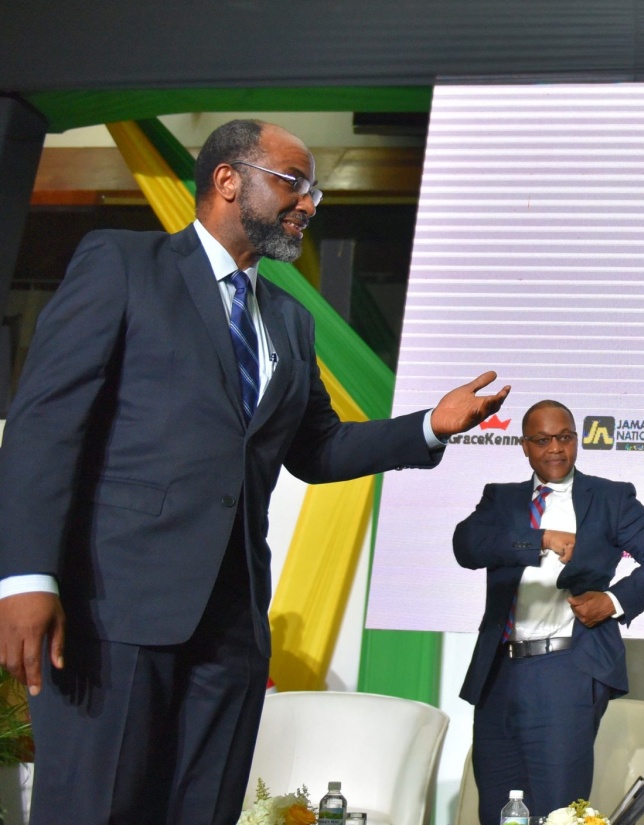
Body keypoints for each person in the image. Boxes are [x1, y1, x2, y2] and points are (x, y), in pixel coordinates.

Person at [0, 119, 510, 825]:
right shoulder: (122, 265)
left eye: (316, 192)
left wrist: (427, 426)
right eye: (293, 183)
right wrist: (26, 577)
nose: (308, 204)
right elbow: (44, 425)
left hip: (230, 632)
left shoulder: (290, 323)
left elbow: (317, 449)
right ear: (227, 180)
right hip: (113, 617)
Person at [454, 400, 644, 821]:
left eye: (564, 437)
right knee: (497, 807)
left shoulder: (609, 498)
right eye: (542, 440)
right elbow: (467, 546)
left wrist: (614, 601)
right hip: (498, 674)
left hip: (566, 668)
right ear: (524, 446)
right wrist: (539, 538)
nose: (555, 449)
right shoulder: (502, 500)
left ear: (576, 440)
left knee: (558, 809)